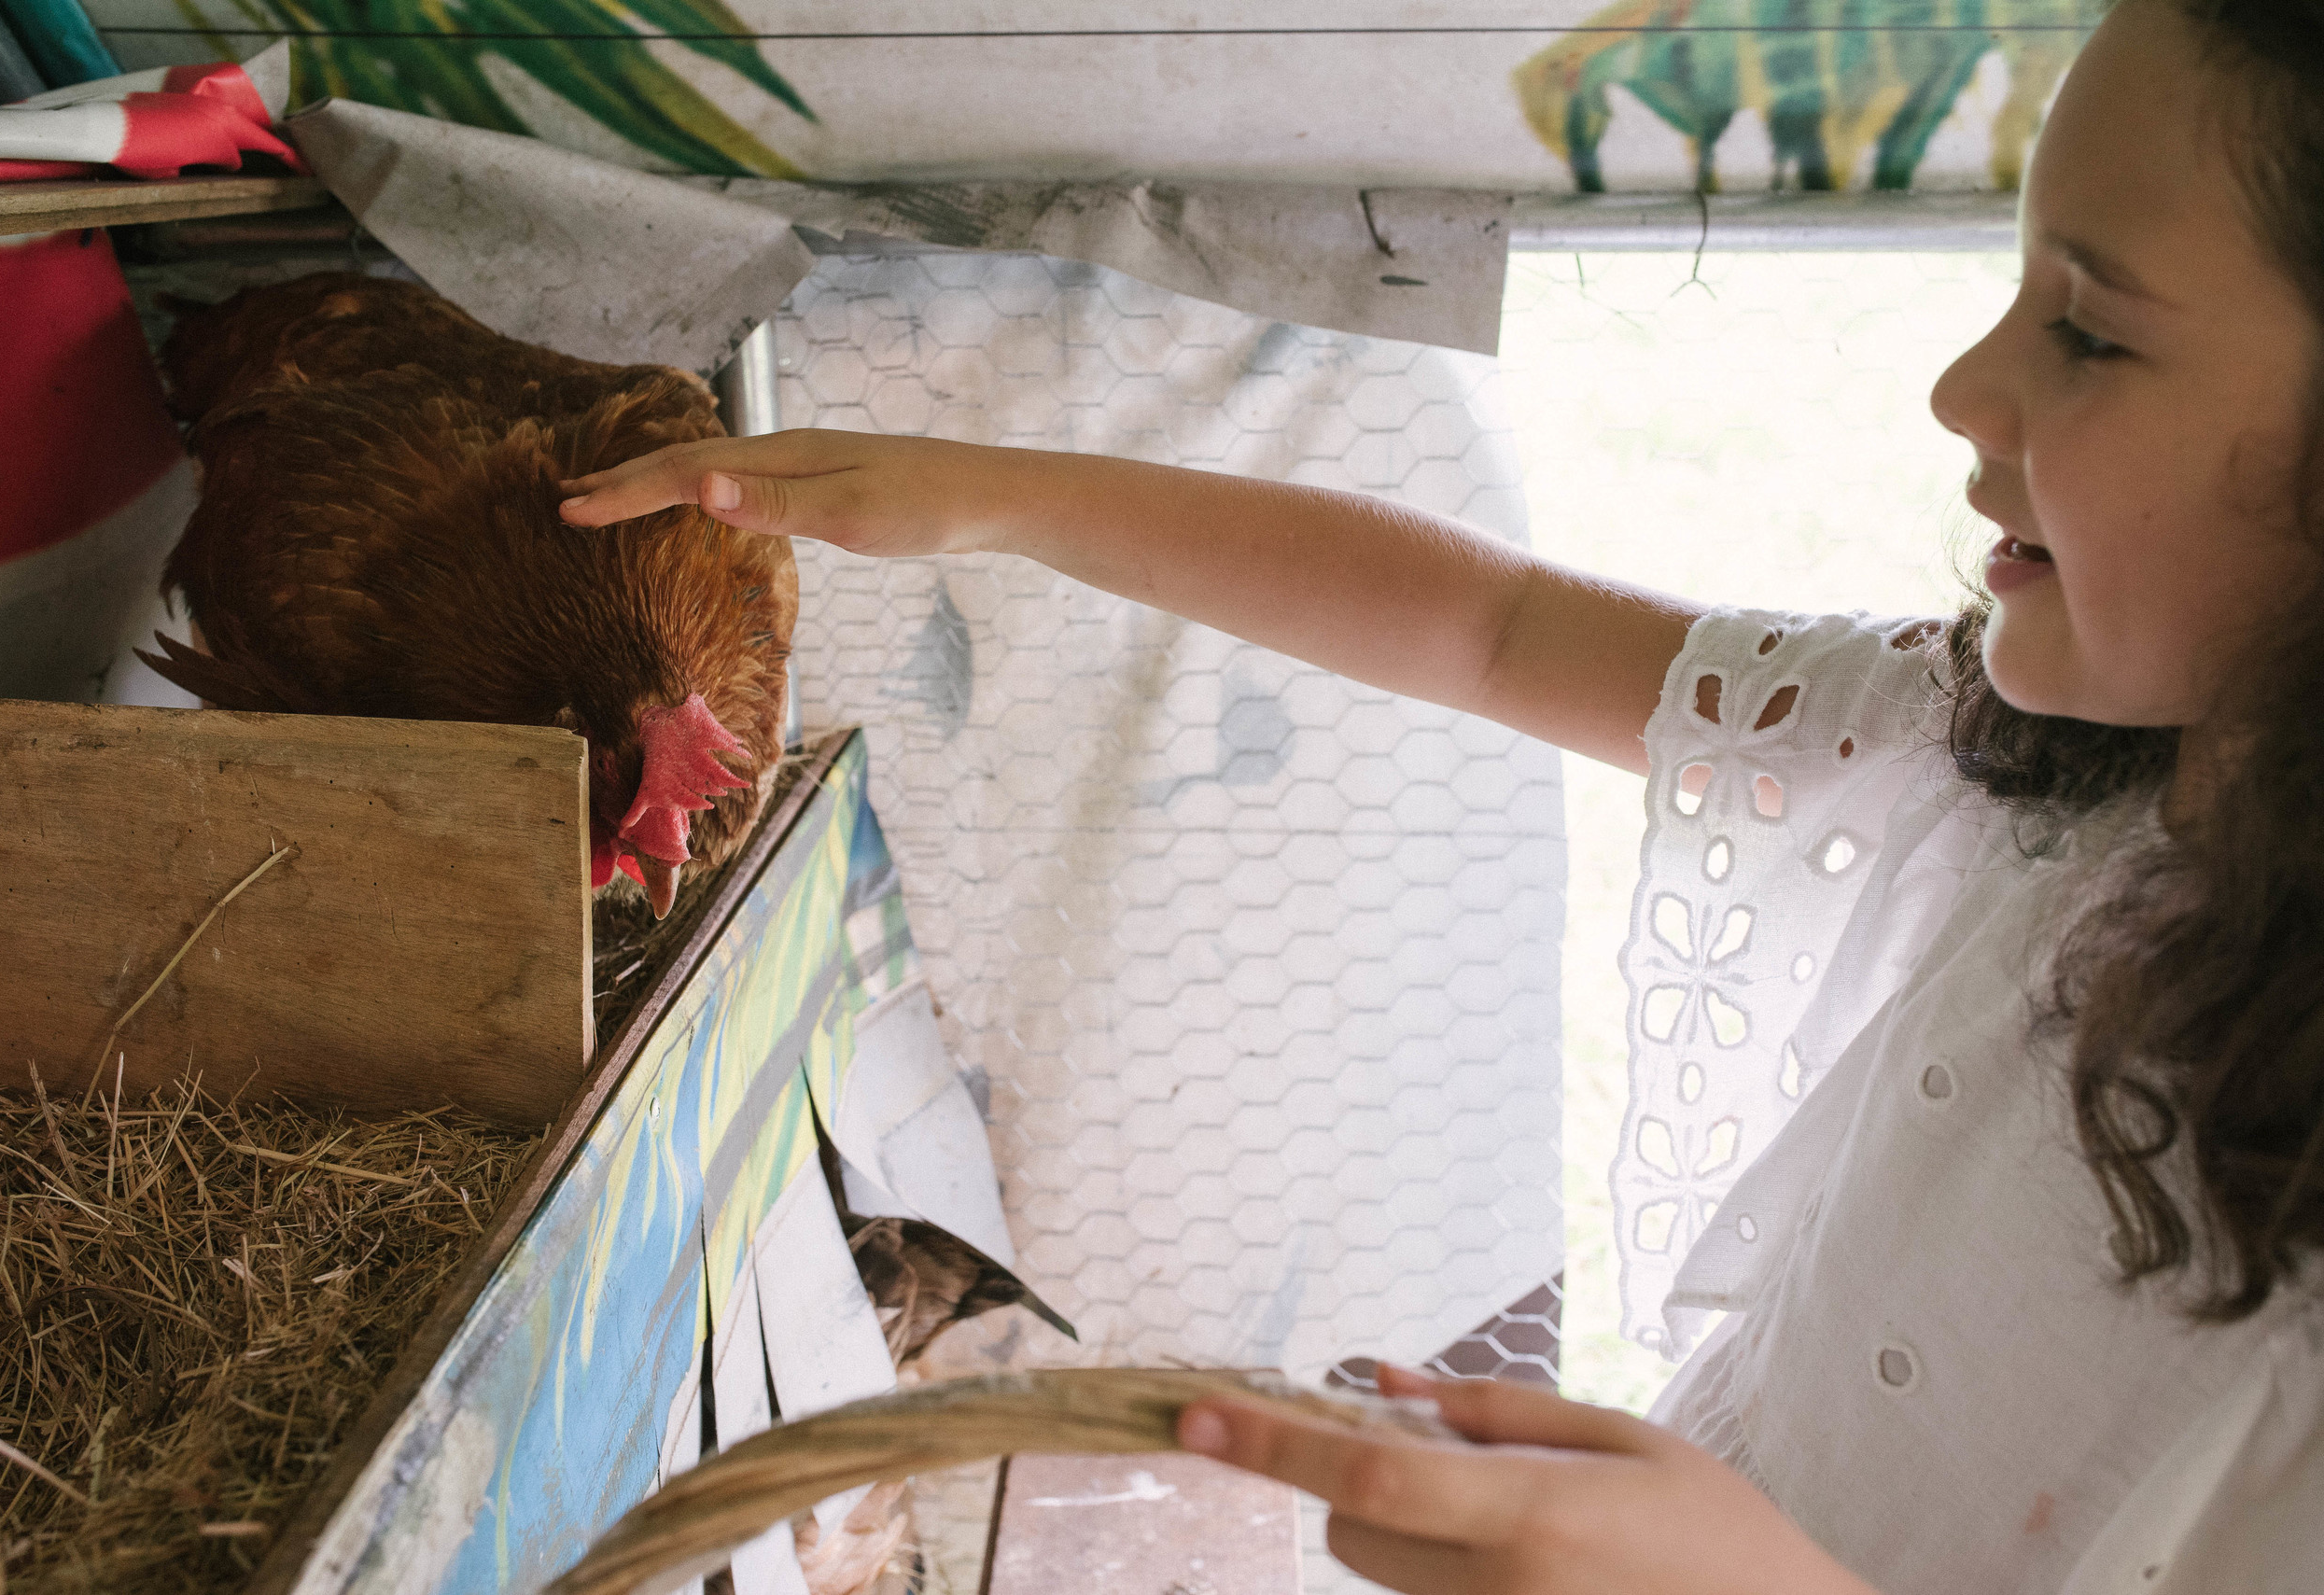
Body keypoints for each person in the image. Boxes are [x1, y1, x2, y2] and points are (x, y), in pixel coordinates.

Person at [558, 1, 2324, 1587]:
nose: (1962, 385)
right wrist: (987, 495)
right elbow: (1493, 628)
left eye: (2090, 334)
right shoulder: (2054, 780)